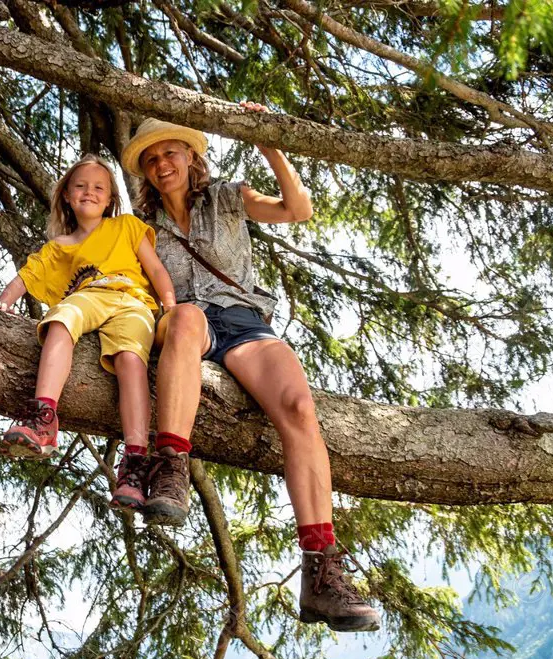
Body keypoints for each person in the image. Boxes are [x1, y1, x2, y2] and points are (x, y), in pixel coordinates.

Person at [118, 109, 381, 632]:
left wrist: (269, 146)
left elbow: (297, 210)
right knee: (188, 317)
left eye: (170, 152)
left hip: (242, 322)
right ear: (145, 173)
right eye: (150, 160)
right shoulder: (142, 228)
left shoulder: (229, 198)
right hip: (182, 325)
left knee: (300, 409)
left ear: (192, 157)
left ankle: (322, 570)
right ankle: (170, 469)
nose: (161, 163)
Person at [0, 154, 177, 513]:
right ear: (68, 196)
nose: (90, 192)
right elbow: (27, 276)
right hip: (87, 297)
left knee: (131, 359)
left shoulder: (127, 227)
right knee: (60, 320)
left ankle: (134, 462)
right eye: (81, 186)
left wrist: (170, 307)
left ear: (110, 199)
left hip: (132, 301)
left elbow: (156, 269)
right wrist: (3, 303)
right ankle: (43, 418)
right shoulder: (60, 245)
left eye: (99, 187)